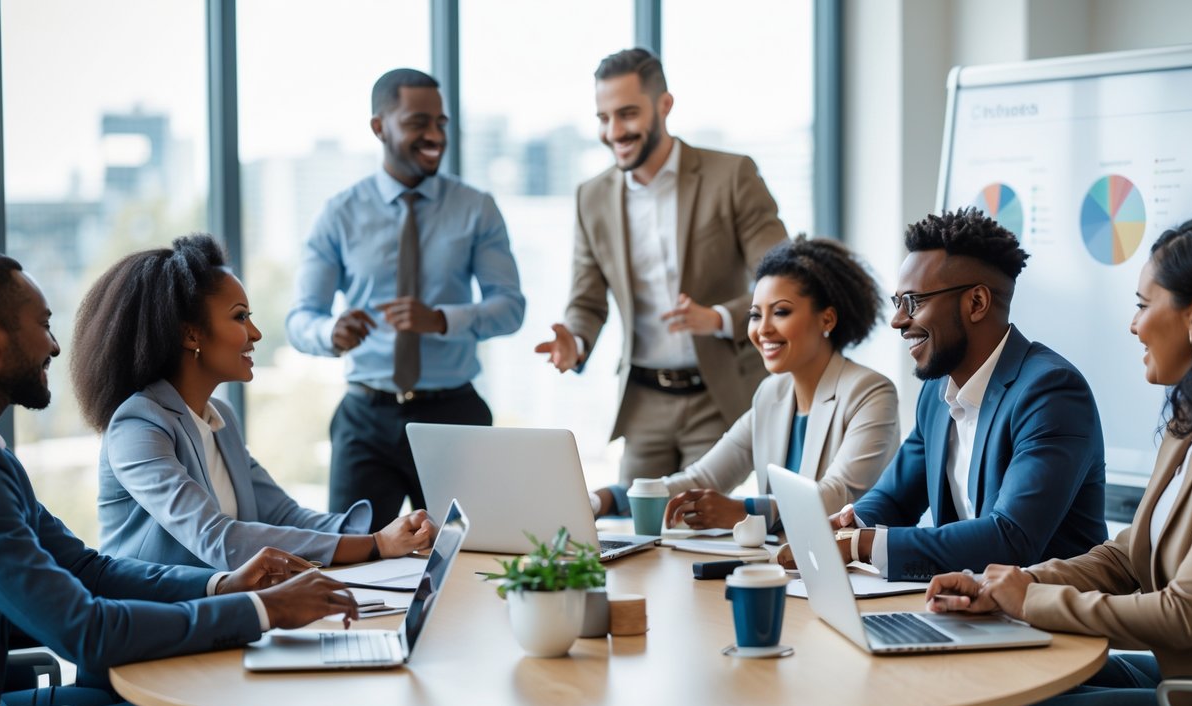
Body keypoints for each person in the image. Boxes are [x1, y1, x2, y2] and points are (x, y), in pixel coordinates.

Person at [0, 247, 359, 706]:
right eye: (44, 325)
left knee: (228, 701)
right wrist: (264, 609)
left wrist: (222, 586)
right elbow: (86, 631)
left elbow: (87, 569)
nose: (55, 345)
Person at [923, 212, 1192, 706]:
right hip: (1181, 680)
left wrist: (1030, 602)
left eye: (1142, 305)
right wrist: (1009, 585)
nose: (1133, 325)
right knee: (952, 699)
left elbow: (1183, 615)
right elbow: (1127, 556)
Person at [71, 234, 435, 571]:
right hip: (156, 615)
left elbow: (285, 515)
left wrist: (392, 534)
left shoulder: (220, 418)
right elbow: (219, 539)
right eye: (240, 317)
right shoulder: (138, 428)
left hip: (222, 606)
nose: (256, 333)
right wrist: (375, 545)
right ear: (191, 334)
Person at [536, 48, 788, 490]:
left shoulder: (731, 176)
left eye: (628, 114)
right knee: (635, 520)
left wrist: (718, 318)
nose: (614, 131)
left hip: (717, 393)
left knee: (696, 520)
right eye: (603, 118)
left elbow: (782, 277)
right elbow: (587, 300)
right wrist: (575, 341)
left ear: (664, 105)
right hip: (643, 401)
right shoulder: (591, 197)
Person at [287, 68, 525, 530]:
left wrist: (439, 319)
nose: (435, 135)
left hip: (454, 418)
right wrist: (330, 332)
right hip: (366, 417)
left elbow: (510, 308)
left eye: (441, 123)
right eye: (418, 123)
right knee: (350, 553)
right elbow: (300, 318)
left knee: (469, 551)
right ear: (380, 127)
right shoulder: (339, 214)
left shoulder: (476, 208)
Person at [816, 208, 1108, 580]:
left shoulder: (1051, 393)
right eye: (897, 302)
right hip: (968, 602)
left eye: (913, 302)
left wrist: (861, 545)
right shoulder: (936, 393)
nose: (898, 320)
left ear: (976, 303)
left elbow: (1011, 539)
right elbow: (894, 498)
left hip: (1049, 609)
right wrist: (849, 523)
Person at [656, 236, 898, 535]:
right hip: (779, 559)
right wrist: (612, 498)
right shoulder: (771, 394)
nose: (763, 329)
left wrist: (745, 510)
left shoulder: (870, 392)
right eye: (755, 315)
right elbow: (701, 479)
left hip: (851, 561)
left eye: (781, 312)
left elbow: (837, 496)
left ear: (827, 319)